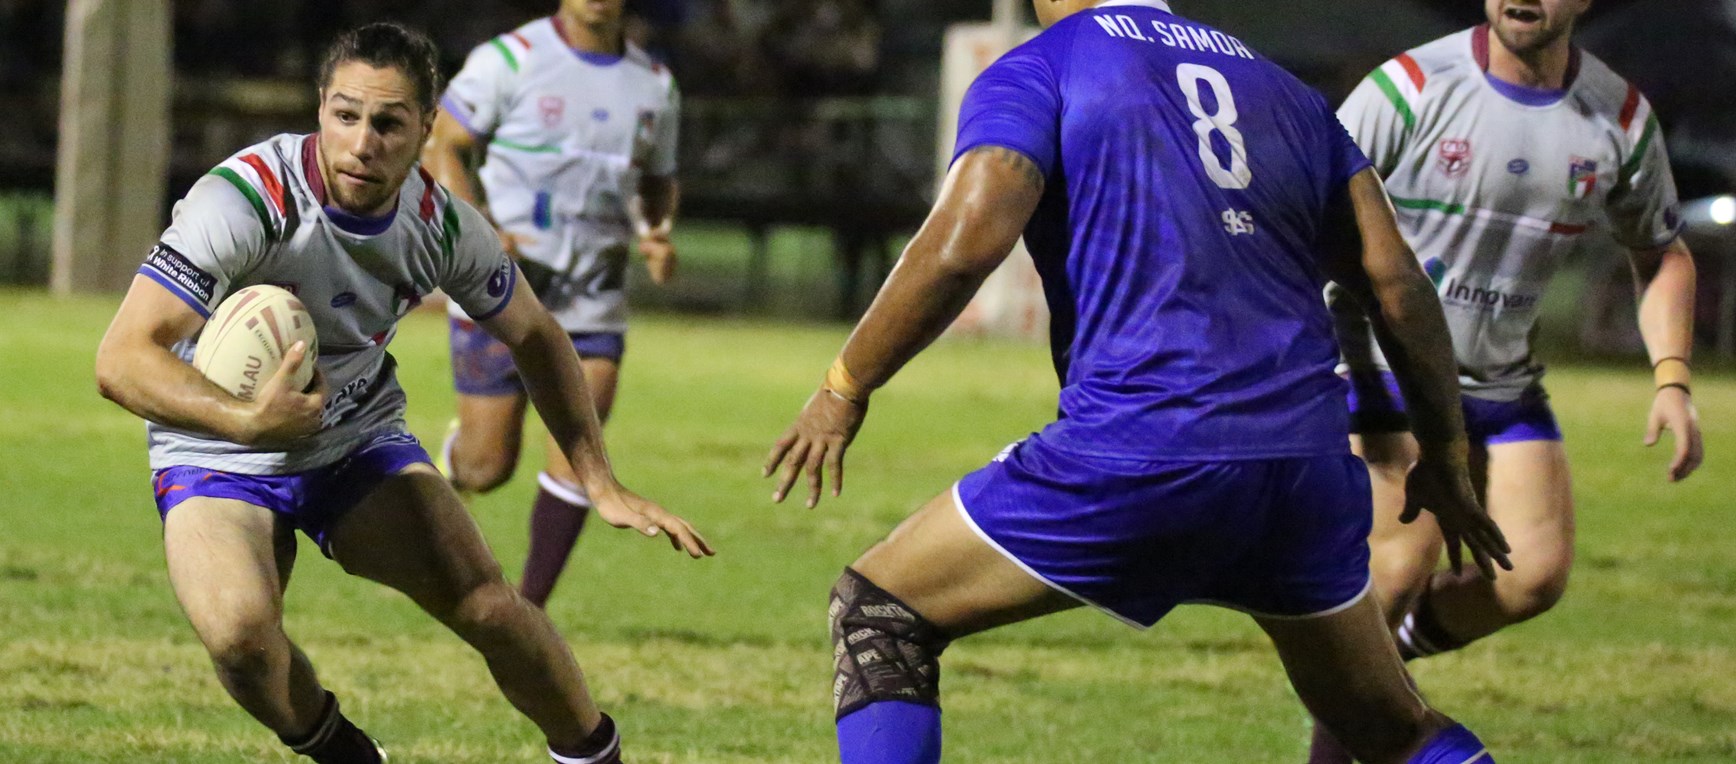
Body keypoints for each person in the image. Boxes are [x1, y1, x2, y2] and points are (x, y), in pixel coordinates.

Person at [763, 2, 1511, 762]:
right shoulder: (1285, 89)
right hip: (1304, 469)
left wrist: (845, 386)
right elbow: (1397, 283)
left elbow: (962, 246)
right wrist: (1447, 453)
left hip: (1142, 448)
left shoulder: (1047, 65)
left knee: (880, 614)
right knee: (1393, 731)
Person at [94, 23, 709, 764]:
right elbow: (122, 358)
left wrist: (599, 481)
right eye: (345, 115)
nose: (362, 143)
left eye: (388, 124)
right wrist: (246, 419)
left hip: (353, 438)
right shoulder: (246, 200)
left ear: (426, 129)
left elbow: (538, 335)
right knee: (241, 640)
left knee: (489, 606)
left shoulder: (440, 225)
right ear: (321, 109)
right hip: (216, 450)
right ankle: (345, 753)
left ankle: (597, 758)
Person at [1314, 2, 1703, 758]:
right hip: (1386, 371)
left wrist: (1673, 380)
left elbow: (1661, 251)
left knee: (1532, 577)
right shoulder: (1410, 88)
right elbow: (1300, 206)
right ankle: (1367, 695)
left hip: (1502, 382)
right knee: (1395, 571)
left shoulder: (1618, 118)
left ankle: (1377, 674)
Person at [423, 0, 681, 608]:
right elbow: (441, 144)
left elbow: (658, 180)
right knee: (487, 467)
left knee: (580, 455)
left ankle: (529, 609)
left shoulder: (655, 84)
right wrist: (478, 229)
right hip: (501, 288)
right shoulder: (510, 60)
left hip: (594, 292)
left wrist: (658, 231)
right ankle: (452, 461)